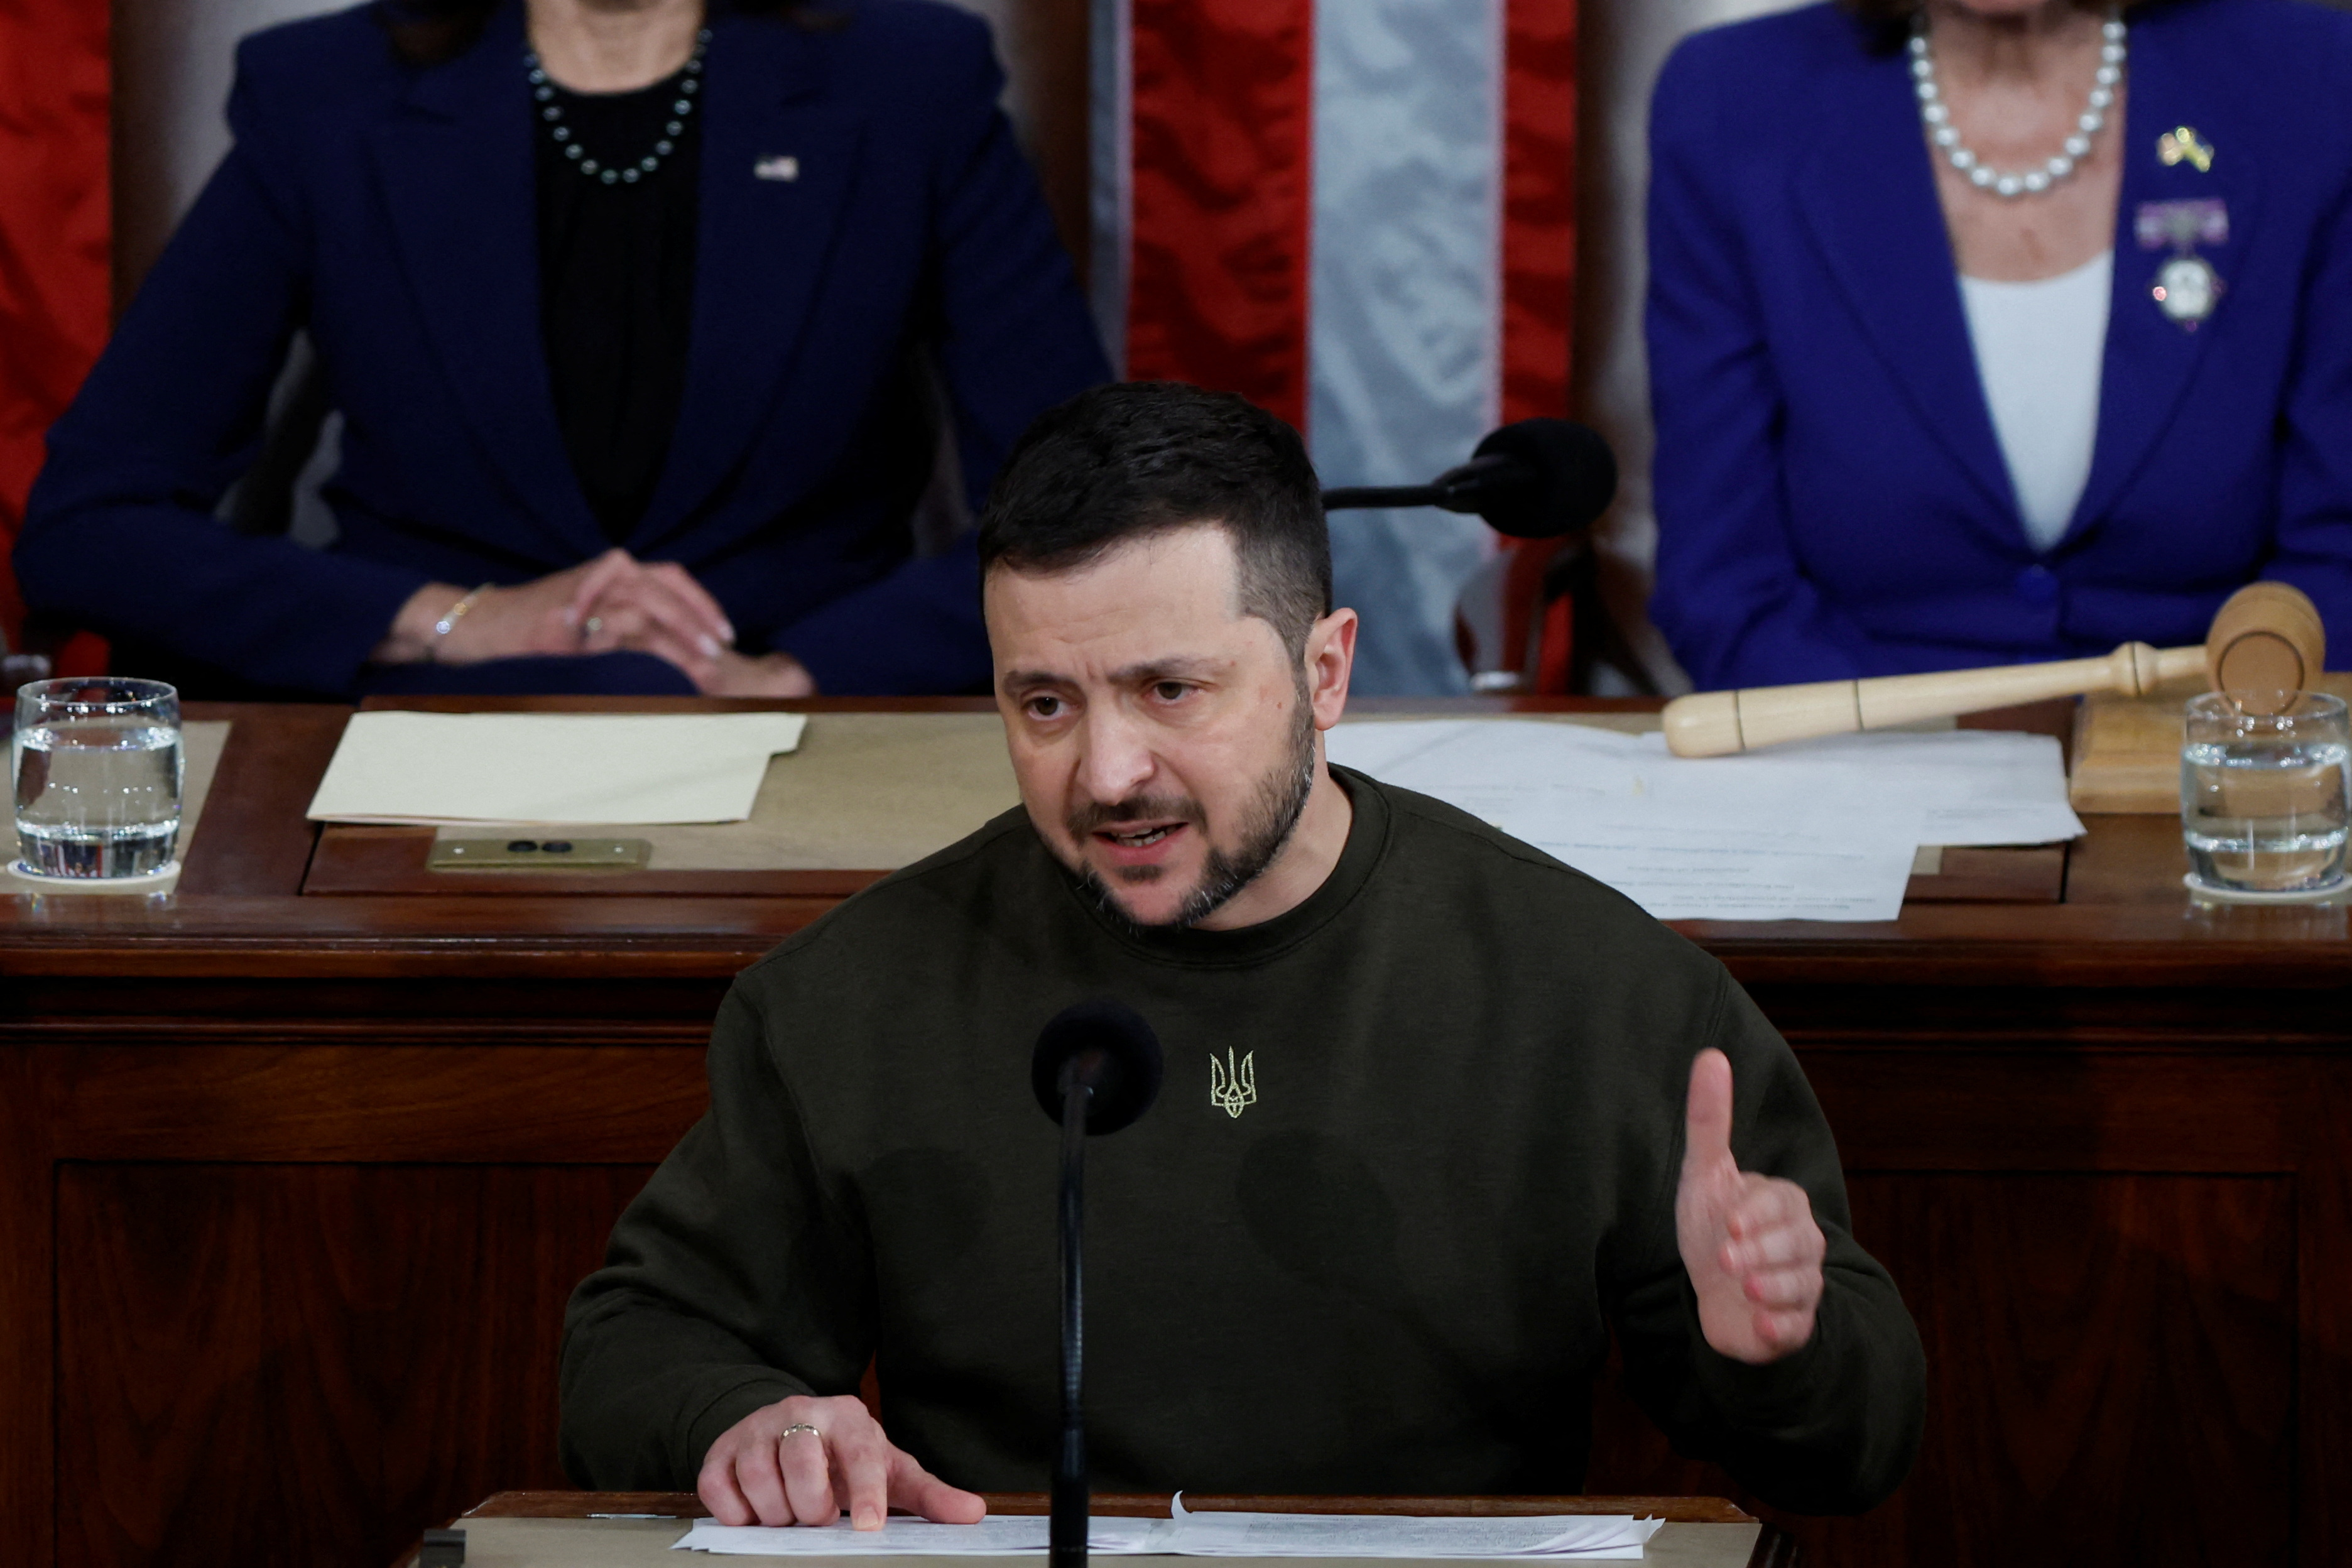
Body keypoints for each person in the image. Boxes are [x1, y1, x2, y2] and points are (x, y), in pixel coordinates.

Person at [557, 381, 1925, 1521]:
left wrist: (1777, 1347)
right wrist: (744, 1420)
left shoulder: (1593, 990)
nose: (1106, 772)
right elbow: (635, 1346)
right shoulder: (853, 997)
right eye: (1044, 703)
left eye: (1171, 690)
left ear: (1325, 673)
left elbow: (1857, 1451)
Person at [14, 0, 1108, 699]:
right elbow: (88, 526)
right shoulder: (324, 99)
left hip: (811, 719)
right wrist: (450, 621)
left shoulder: (911, 86)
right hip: (429, 734)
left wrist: (793, 676)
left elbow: (1087, 514)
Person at [1645, 0, 2352, 691]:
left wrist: (2221, 755)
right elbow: (1722, 584)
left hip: (2219, 737)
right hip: (1853, 751)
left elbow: (2339, 551)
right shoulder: (1731, 100)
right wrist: (1890, 771)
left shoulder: (2311, 76)